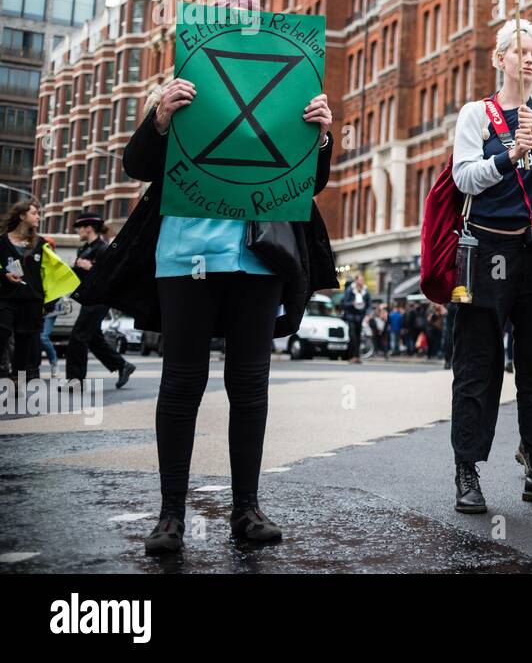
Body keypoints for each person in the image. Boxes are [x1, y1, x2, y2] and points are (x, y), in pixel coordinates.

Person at [76, 44, 337, 555]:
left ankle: (246, 508)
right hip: (185, 255)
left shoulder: (290, 93)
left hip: (258, 259)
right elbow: (138, 165)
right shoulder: (180, 95)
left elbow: (311, 184)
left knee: (249, 383)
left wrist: (321, 138)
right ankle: (171, 513)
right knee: (181, 380)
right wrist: (159, 119)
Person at [447, 19, 532, 514]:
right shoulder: (476, 114)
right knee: (477, 363)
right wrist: (506, 157)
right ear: (500, 59)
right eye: (520, 52)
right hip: (488, 250)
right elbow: (464, 180)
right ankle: (467, 470)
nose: (529, 61)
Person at [64, 213, 135, 389]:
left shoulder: (104, 249)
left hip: (100, 298)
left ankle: (75, 381)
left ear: (89, 228)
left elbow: (112, 275)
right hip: (89, 297)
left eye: (80, 228)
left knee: (78, 337)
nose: (78, 231)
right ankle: (122, 365)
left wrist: (92, 267)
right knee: (93, 339)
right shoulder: (83, 249)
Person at [0, 201, 51, 385]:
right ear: (22, 216)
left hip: (32, 300)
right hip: (6, 298)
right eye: (34, 213)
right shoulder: (2, 241)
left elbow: (49, 274)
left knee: (23, 342)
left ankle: (17, 380)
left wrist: (48, 301)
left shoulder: (41, 244)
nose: (38, 217)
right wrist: (4, 275)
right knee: (2, 334)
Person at [341, 275, 370, 363]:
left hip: (360, 317)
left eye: (362, 280)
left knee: (358, 337)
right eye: (360, 280)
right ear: (356, 281)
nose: (361, 282)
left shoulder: (365, 291)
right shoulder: (350, 290)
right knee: (352, 336)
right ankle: (352, 356)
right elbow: (344, 303)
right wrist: (352, 303)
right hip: (351, 316)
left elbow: (369, 304)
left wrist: (368, 315)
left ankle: (356, 356)